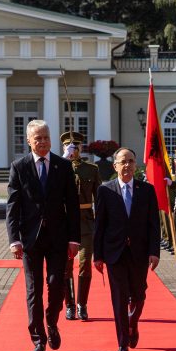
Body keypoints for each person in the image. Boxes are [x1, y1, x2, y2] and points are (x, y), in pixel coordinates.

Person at [6, 119, 80, 351]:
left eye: (46, 137)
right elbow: (13, 206)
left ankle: (52, 321)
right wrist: (14, 239)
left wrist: (74, 238)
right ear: (28, 141)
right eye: (37, 138)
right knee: (33, 289)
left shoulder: (62, 166)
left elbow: (73, 206)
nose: (43, 142)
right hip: (30, 240)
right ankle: (38, 338)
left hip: (58, 238)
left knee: (56, 285)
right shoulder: (19, 167)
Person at [93, 148, 161, 351]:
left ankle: (133, 322)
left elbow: (153, 225)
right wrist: (98, 255)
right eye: (123, 162)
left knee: (139, 295)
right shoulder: (105, 190)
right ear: (115, 166)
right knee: (120, 298)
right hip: (115, 253)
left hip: (140, 253)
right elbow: (100, 225)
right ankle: (122, 343)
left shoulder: (147, 190)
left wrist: (154, 251)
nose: (127, 166)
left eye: (131, 161)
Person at [61, 132, 102, 322]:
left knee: (85, 264)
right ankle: (69, 305)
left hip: (86, 221)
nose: (73, 150)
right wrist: (63, 161)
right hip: (66, 222)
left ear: (81, 148)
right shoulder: (58, 167)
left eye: (76, 146)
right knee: (66, 266)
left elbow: (99, 199)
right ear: (64, 148)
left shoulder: (91, 170)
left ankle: (81, 304)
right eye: (69, 147)